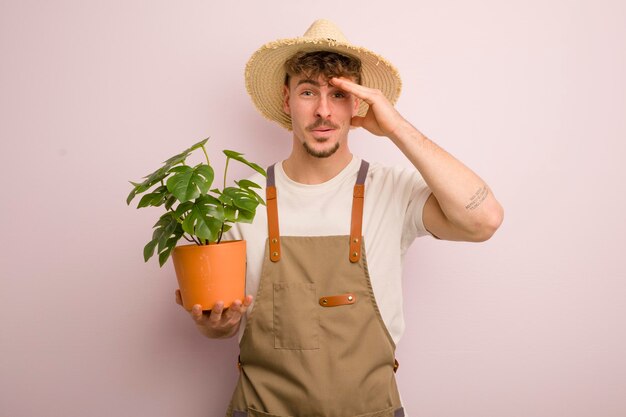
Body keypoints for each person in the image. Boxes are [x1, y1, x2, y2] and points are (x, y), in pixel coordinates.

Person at [175, 19, 503, 417]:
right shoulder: (243, 200)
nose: (323, 111)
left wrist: (395, 126)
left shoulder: (391, 190)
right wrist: (216, 326)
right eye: (308, 92)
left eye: (339, 93)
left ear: (358, 104)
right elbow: (223, 322)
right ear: (286, 100)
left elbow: (484, 219)